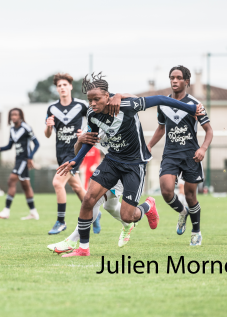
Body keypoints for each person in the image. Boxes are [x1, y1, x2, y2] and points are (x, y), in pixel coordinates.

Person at [56, 72, 204, 257]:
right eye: (90, 100)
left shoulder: (127, 106)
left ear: (107, 96)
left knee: (128, 216)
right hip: (112, 161)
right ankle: (83, 248)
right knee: (88, 200)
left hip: (134, 165)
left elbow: (158, 99)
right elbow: (90, 140)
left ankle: (148, 206)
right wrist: (75, 162)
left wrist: (190, 108)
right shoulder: (92, 113)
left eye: (96, 99)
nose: (93, 104)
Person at [48, 127, 146, 253]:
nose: (93, 106)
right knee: (109, 206)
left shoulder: (120, 120)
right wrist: (80, 140)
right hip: (110, 166)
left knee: (93, 201)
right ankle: (128, 224)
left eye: (94, 105)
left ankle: (72, 241)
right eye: (90, 105)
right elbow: (78, 152)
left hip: (125, 169)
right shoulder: (93, 121)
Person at [147, 65, 213, 246]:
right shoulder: (163, 103)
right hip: (170, 155)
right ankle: (183, 212)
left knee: (191, 196)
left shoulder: (195, 105)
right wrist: (150, 145)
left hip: (191, 156)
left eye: (178, 78)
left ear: (186, 81)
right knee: (167, 191)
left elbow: (209, 131)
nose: (174, 81)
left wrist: (203, 149)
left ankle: (196, 232)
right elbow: (161, 128)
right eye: (171, 78)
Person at [44, 73, 101, 235]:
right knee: (76, 186)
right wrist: (48, 126)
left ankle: (60, 222)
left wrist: (83, 133)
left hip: (76, 152)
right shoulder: (52, 108)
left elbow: (95, 120)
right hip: (60, 152)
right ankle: (95, 214)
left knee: (57, 183)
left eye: (64, 85)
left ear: (70, 86)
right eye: (59, 86)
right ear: (57, 89)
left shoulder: (82, 105)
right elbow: (48, 134)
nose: (62, 88)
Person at [0, 108, 40, 220]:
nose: (13, 117)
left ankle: (6, 211)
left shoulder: (26, 128)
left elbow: (37, 144)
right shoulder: (12, 130)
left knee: (11, 180)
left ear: (20, 116)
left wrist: (30, 157)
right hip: (18, 159)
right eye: (11, 115)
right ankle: (33, 212)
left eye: (16, 114)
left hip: (24, 160)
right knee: (26, 186)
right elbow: (10, 146)